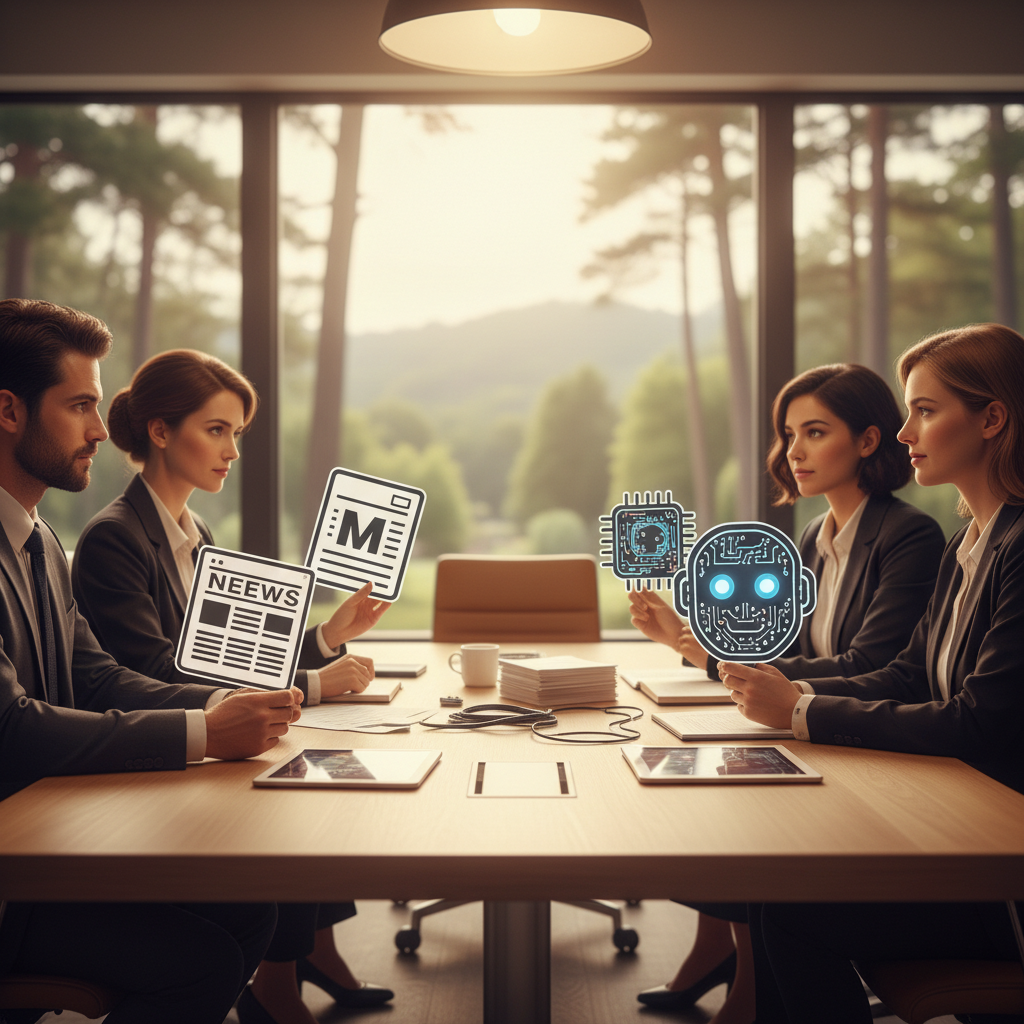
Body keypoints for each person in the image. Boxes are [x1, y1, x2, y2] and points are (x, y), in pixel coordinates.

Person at [70, 348, 394, 1024]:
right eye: (217, 430)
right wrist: (312, 682)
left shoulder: (191, 532)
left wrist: (325, 638)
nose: (232, 452)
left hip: (189, 736)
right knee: (294, 796)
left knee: (306, 782)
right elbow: (155, 671)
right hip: (145, 762)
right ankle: (280, 988)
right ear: (160, 432)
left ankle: (299, 968)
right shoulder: (114, 539)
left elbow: (228, 658)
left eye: (237, 435)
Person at [721, 323, 1024, 1024]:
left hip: (1001, 872)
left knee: (791, 911)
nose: (902, 431)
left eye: (923, 411)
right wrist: (794, 697)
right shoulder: (970, 542)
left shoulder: (1013, 548)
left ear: (991, 419)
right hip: (965, 828)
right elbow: (908, 675)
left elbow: (980, 719)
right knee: (781, 889)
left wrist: (801, 710)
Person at [0, 298, 289, 1024]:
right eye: (80, 406)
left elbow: (95, 674)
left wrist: (218, 709)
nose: (103, 429)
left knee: (252, 905)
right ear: (9, 411)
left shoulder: (40, 545)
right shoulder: (93, 537)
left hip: (48, 836)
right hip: (13, 876)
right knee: (203, 959)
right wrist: (205, 735)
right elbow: (10, 725)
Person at [629, 363, 945, 1024]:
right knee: (712, 786)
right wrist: (694, 648)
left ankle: (744, 985)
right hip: (822, 727)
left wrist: (772, 689)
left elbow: (873, 662)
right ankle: (725, 957)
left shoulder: (906, 535)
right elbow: (794, 656)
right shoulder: (816, 536)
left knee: (741, 811)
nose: (791, 451)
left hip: (866, 741)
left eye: (814, 432)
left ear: (866, 441)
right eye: (787, 434)